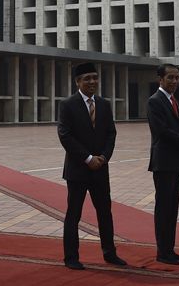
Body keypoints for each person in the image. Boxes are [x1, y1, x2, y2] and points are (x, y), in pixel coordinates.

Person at [57, 62, 127, 270]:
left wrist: (104, 157)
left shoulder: (104, 105)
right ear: (77, 81)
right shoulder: (67, 105)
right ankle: (71, 257)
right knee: (74, 214)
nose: (92, 82)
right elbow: (65, 136)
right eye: (87, 78)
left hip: (100, 169)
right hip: (78, 170)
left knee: (105, 212)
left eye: (94, 78)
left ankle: (110, 253)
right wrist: (88, 158)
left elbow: (111, 133)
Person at [147, 63, 179, 265]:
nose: (175, 81)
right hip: (163, 163)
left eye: (177, 78)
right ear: (160, 79)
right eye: (171, 78)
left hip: (175, 164)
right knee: (163, 209)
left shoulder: (172, 100)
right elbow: (163, 132)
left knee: (172, 208)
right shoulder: (155, 101)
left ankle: (170, 249)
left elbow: (178, 130)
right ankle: (162, 252)